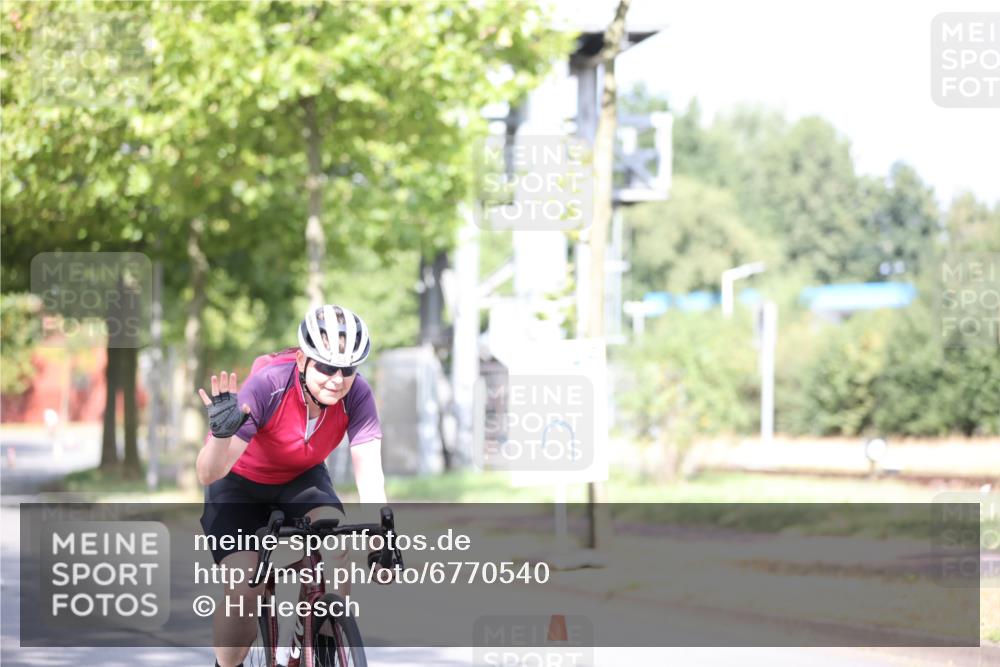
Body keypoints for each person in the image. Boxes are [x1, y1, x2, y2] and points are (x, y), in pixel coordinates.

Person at [197, 304, 386, 667]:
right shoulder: (268, 386)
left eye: (347, 369)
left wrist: (382, 542)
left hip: (301, 477)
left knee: (336, 547)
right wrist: (221, 436)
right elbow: (208, 474)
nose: (337, 378)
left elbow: (370, 475)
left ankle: (324, 638)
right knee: (245, 586)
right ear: (302, 360)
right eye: (326, 367)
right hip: (238, 483)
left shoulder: (358, 394)